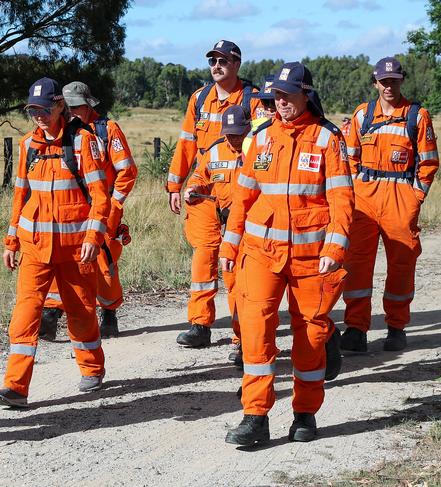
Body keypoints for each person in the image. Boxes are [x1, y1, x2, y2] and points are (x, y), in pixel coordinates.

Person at [221, 62, 354, 446]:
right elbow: (242, 197)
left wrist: (334, 247)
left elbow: (342, 198)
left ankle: (305, 413)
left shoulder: (328, 138)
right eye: (276, 96)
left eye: (288, 95)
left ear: (306, 94)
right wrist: (231, 243)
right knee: (256, 331)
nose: (280, 103)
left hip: (313, 258)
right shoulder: (261, 138)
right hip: (261, 253)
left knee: (310, 335)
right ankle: (255, 415)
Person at [0, 78, 110, 408]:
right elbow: (20, 196)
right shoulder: (28, 145)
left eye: (44, 109)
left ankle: (92, 368)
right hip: (35, 247)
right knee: (25, 314)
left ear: (60, 106)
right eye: (32, 111)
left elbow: (101, 198)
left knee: (81, 311)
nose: (38, 116)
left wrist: (93, 237)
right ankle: (15, 386)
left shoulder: (84, 142)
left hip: (76, 249)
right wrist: (11, 240)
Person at [167, 40, 263, 348]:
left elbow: (265, 145)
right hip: (205, 187)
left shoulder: (253, 99)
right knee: (204, 256)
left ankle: (242, 329)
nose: (216, 66)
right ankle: (199, 323)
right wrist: (175, 185)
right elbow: (185, 144)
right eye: (212, 61)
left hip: (241, 190)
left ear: (236, 64)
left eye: (223, 61)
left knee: (237, 261)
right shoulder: (200, 98)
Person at [341, 56, 439, 352]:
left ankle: (396, 327)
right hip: (365, 199)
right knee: (356, 264)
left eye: (394, 80)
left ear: (401, 80)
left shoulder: (417, 115)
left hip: (400, 197)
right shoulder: (362, 115)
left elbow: (429, 162)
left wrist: (415, 198)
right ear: (375, 83)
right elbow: (348, 159)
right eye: (384, 81)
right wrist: (356, 190)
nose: (389, 86)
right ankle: (356, 329)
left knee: (401, 264)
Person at [39, 81, 138, 339]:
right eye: (66, 108)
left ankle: (109, 314)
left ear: (88, 106)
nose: (70, 113)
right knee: (62, 263)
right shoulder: (62, 133)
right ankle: (51, 313)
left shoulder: (107, 130)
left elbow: (127, 172)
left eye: (75, 108)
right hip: (69, 214)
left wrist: (113, 208)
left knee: (104, 265)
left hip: (103, 211)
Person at [183, 104, 250, 367]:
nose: (234, 138)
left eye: (238, 133)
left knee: (241, 286)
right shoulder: (214, 151)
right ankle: (202, 325)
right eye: (229, 133)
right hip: (226, 226)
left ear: (248, 128)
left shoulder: (258, 149)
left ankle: (243, 340)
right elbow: (200, 175)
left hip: (251, 229)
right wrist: (193, 187)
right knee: (224, 274)